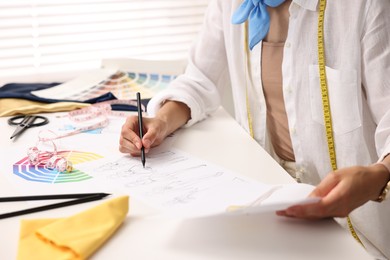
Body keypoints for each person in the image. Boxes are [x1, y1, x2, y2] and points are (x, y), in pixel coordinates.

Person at [119, 0, 390, 258]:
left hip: (357, 222)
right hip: (269, 206)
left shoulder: (363, 7)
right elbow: (200, 79)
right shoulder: (231, 4)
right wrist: (161, 121)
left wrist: (378, 176)